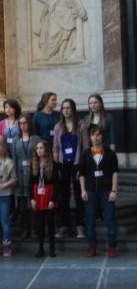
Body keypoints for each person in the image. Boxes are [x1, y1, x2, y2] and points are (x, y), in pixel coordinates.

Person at [79, 125, 119, 258]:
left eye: (98, 135)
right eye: (93, 135)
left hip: (107, 190)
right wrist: (83, 190)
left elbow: (115, 172)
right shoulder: (85, 154)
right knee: (89, 220)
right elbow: (82, 174)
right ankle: (92, 246)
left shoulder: (110, 153)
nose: (96, 138)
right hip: (90, 191)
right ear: (90, 137)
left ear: (102, 136)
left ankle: (112, 247)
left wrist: (114, 190)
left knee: (110, 219)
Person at [53, 98, 88, 239]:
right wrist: (57, 164)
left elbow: (86, 147)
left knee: (79, 196)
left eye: (68, 108)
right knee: (63, 195)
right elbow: (55, 147)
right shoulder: (58, 127)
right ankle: (63, 226)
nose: (66, 110)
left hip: (77, 163)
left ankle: (80, 226)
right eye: (64, 108)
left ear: (73, 109)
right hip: (62, 164)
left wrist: (83, 167)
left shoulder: (81, 125)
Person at [13, 115, 41, 239]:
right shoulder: (16, 140)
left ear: (29, 124)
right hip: (20, 174)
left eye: (25, 123)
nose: (23, 125)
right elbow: (14, 159)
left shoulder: (35, 139)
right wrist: (14, 176)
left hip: (33, 173)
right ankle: (24, 229)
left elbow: (39, 156)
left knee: (33, 203)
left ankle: (35, 229)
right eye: (20, 123)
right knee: (22, 204)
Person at [30, 141, 58, 258]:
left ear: (46, 149)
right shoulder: (34, 163)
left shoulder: (53, 164)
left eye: (41, 148)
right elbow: (30, 182)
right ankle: (40, 247)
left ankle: (52, 248)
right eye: (37, 148)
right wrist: (32, 198)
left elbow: (57, 184)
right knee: (39, 223)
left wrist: (53, 199)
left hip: (49, 194)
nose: (39, 150)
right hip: (38, 195)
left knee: (50, 223)